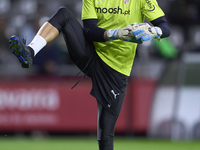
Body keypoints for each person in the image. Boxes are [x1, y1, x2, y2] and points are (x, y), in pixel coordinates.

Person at [9, 0, 171, 149]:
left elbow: (165, 28)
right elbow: (89, 31)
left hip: (116, 69)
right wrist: (116, 33)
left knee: (106, 134)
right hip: (90, 55)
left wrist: (153, 30)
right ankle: (30, 52)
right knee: (63, 14)